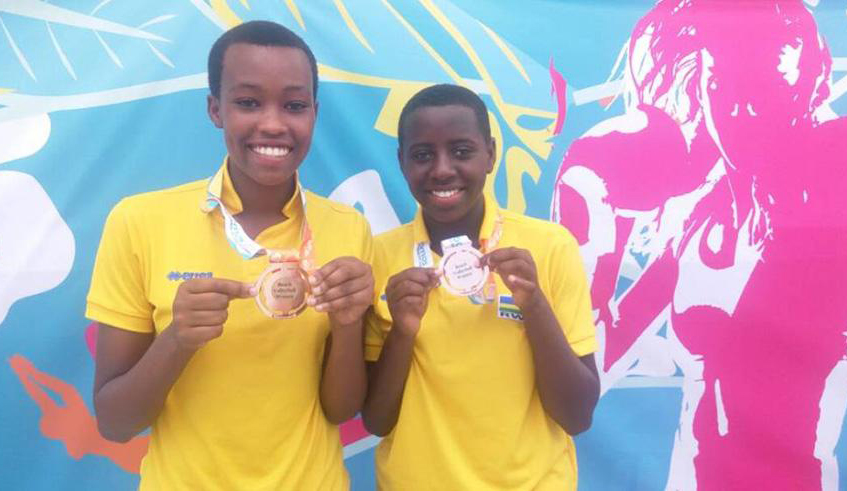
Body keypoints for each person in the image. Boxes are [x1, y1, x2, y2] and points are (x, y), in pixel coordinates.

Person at [86, 20, 373, 490]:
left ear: (314, 113)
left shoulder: (349, 228)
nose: (273, 123)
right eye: (248, 102)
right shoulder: (138, 221)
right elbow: (115, 423)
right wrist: (177, 340)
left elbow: (341, 410)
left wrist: (347, 324)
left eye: (294, 105)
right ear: (216, 109)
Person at [362, 83, 600, 490]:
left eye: (461, 151)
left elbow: (577, 415)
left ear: (490, 154)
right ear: (401, 162)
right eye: (422, 155)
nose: (442, 169)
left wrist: (534, 305)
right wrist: (403, 330)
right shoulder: (379, 256)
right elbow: (377, 421)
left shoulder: (549, 246)